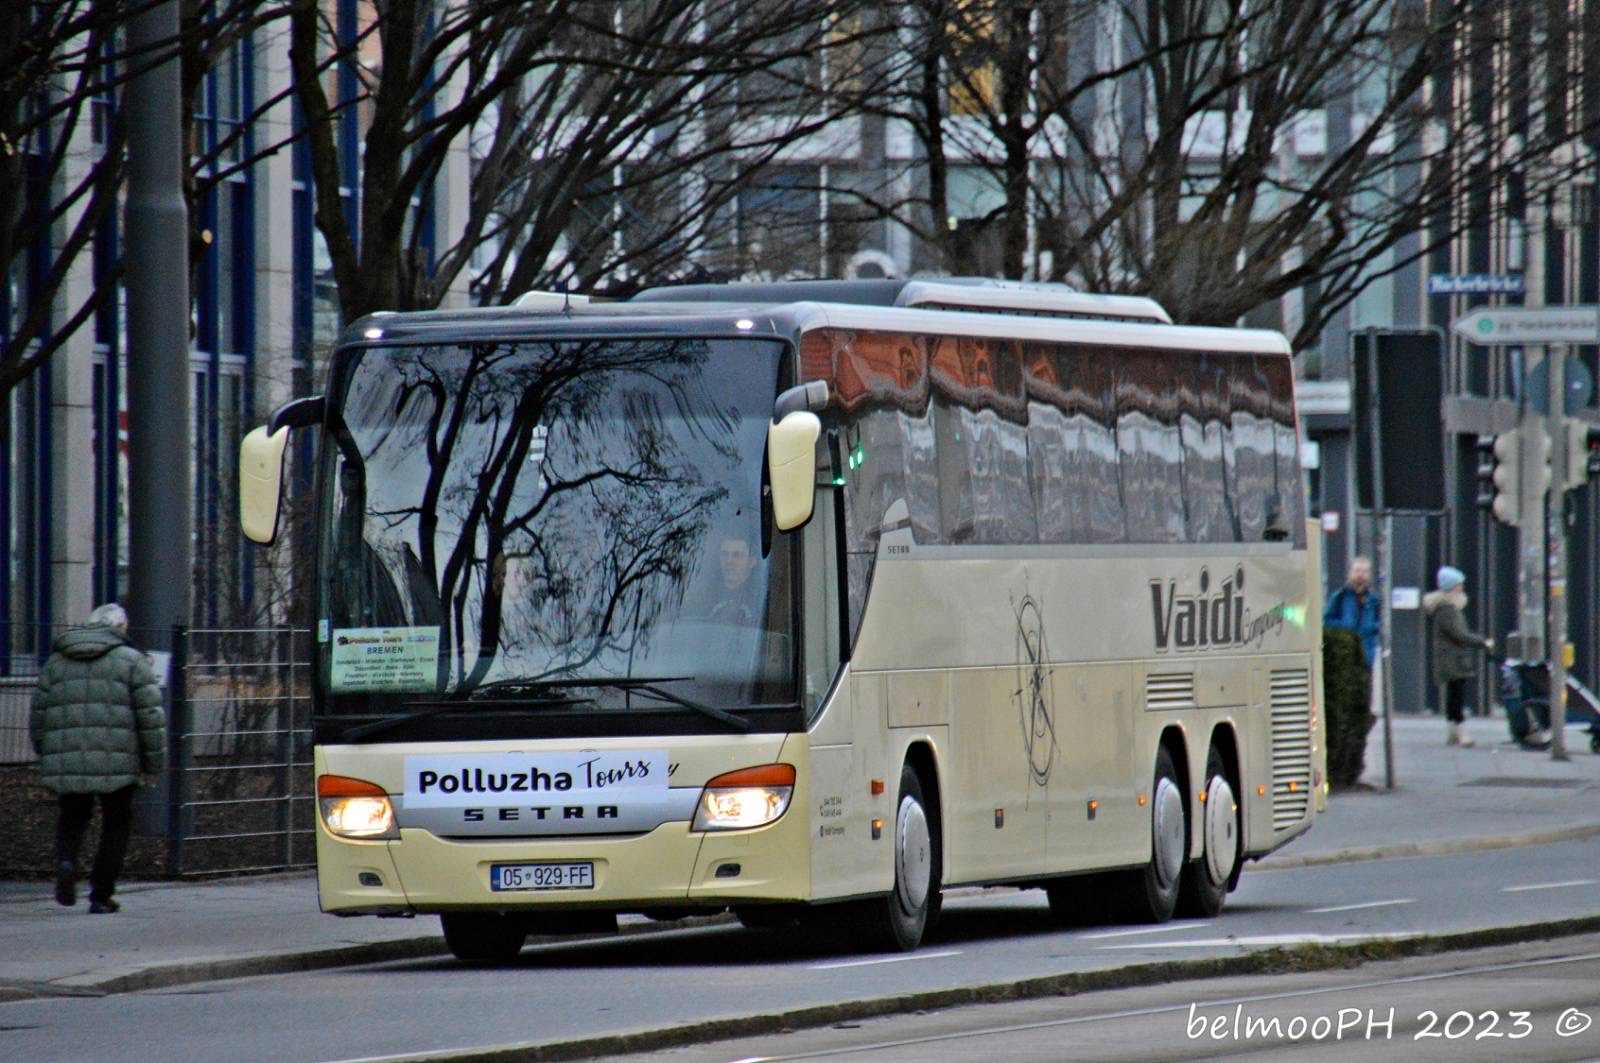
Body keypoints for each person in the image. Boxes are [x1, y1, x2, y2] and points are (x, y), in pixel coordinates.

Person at [29, 604, 165, 913]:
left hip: (68, 757)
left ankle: (66, 862)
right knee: (116, 823)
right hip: (119, 760)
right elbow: (150, 716)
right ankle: (101, 895)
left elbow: (39, 712)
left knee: (72, 817)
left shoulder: (56, 661)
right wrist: (153, 762)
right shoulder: (132, 661)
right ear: (121, 629)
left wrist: (44, 750)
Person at [1423, 566, 1492, 748]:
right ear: (1452, 587)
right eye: (1459, 584)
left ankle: (1453, 733)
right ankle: (1461, 733)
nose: (1462, 587)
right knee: (1457, 697)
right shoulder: (1448, 608)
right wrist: (1483, 642)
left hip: (1453, 658)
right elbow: (1459, 634)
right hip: (1452, 659)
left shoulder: (1448, 606)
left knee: (1454, 695)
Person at [1323, 555, 1380, 667]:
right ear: (1350, 572)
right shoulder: (1340, 597)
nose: (1360, 574)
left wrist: (1371, 628)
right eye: (1357, 570)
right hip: (1344, 653)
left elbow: (1377, 622)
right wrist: (1344, 629)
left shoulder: (1373, 600)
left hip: (1366, 655)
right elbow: (1328, 620)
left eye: (1364, 571)